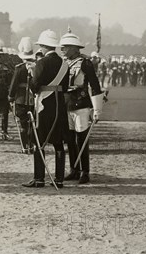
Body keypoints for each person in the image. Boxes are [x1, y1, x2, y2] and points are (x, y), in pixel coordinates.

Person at [22, 30, 69, 189]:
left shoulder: (41, 63)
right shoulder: (64, 64)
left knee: (39, 141)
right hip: (59, 106)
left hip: (44, 106)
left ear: (42, 46)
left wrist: (31, 75)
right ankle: (59, 179)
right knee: (58, 143)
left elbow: (34, 86)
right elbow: (66, 87)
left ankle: (39, 178)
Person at [60, 31, 104, 185]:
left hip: (81, 104)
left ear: (74, 48)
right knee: (70, 139)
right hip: (67, 105)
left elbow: (95, 85)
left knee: (82, 139)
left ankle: (85, 171)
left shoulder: (85, 63)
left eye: (65, 47)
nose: (62, 50)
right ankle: (74, 169)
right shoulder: (63, 62)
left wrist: (97, 110)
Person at [8, 37, 35, 153]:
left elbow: (14, 84)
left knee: (23, 124)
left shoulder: (19, 68)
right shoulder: (36, 66)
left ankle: (25, 146)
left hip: (20, 99)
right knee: (32, 123)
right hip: (33, 99)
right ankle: (32, 145)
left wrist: (11, 96)